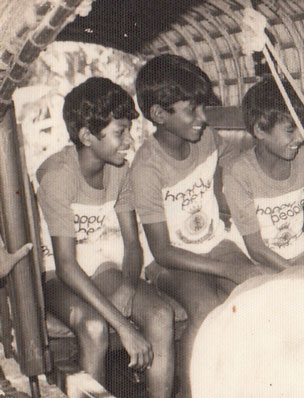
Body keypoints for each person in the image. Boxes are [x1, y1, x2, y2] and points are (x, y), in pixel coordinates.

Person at [130, 54, 267, 397]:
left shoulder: (205, 139)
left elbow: (231, 159)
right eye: (192, 109)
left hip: (214, 244)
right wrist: (222, 267)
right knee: (206, 309)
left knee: (257, 286)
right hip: (169, 261)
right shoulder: (147, 168)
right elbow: (162, 250)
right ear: (159, 115)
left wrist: (223, 199)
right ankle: (190, 391)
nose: (203, 119)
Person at [36, 77, 175, 398]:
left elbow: (131, 243)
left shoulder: (120, 170)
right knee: (95, 327)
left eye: (128, 130)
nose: (128, 141)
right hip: (57, 272)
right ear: (86, 136)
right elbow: (67, 265)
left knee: (159, 313)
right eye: (119, 132)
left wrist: (128, 285)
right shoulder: (59, 176)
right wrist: (123, 327)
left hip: (98, 265)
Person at [223, 77, 304, 270]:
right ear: (260, 130)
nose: (300, 138)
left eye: (301, 128)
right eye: (290, 130)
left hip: (295, 251)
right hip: (254, 261)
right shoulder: (238, 173)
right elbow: (256, 248)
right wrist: (296, 274)